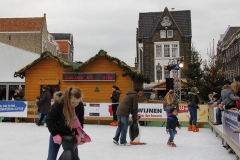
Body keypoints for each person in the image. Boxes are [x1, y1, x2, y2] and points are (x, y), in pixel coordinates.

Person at [45, 87, 91, 160]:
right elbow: (49, 119)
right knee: (51, 158)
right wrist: (55, 134)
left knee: (74, 157)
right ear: (67, 98)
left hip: (71, 135)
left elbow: (80, 121)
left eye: (78, 102)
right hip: (57, 132)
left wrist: (77, 135)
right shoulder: (59, 104)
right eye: (73, 102)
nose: (75, 104)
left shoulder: (80, 106)